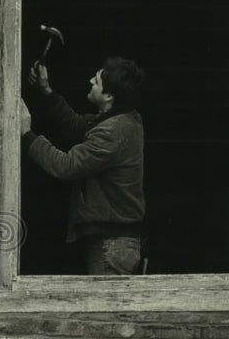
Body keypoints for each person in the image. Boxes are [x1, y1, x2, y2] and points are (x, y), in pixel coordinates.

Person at [19, 57, 146, 275]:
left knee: (108, 308)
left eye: (96, 81)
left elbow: (67, 166)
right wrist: (46, 90)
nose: (89, 81)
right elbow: (77, 125)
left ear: (108, 95)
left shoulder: (113, 132)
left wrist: (26, 134)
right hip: (114, 241)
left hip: (111, 245)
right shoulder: (122, 119)